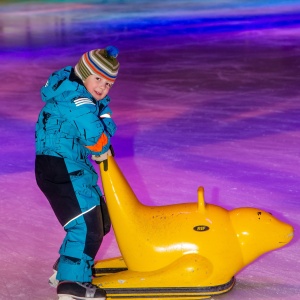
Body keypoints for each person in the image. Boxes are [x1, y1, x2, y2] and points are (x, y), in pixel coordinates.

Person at [35, 46, 120, 300]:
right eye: (98, 79)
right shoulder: (77, 100)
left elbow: (100, 132)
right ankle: (73, 284)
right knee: (87, 226)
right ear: (84, 73)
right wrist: (103, 143)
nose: (103, 88)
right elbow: (97, 139)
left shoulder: (83, 95)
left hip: (71, 166)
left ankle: (64, 269)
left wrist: (103, 110)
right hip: (60, 167)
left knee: (100, 221)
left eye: (108, 84)